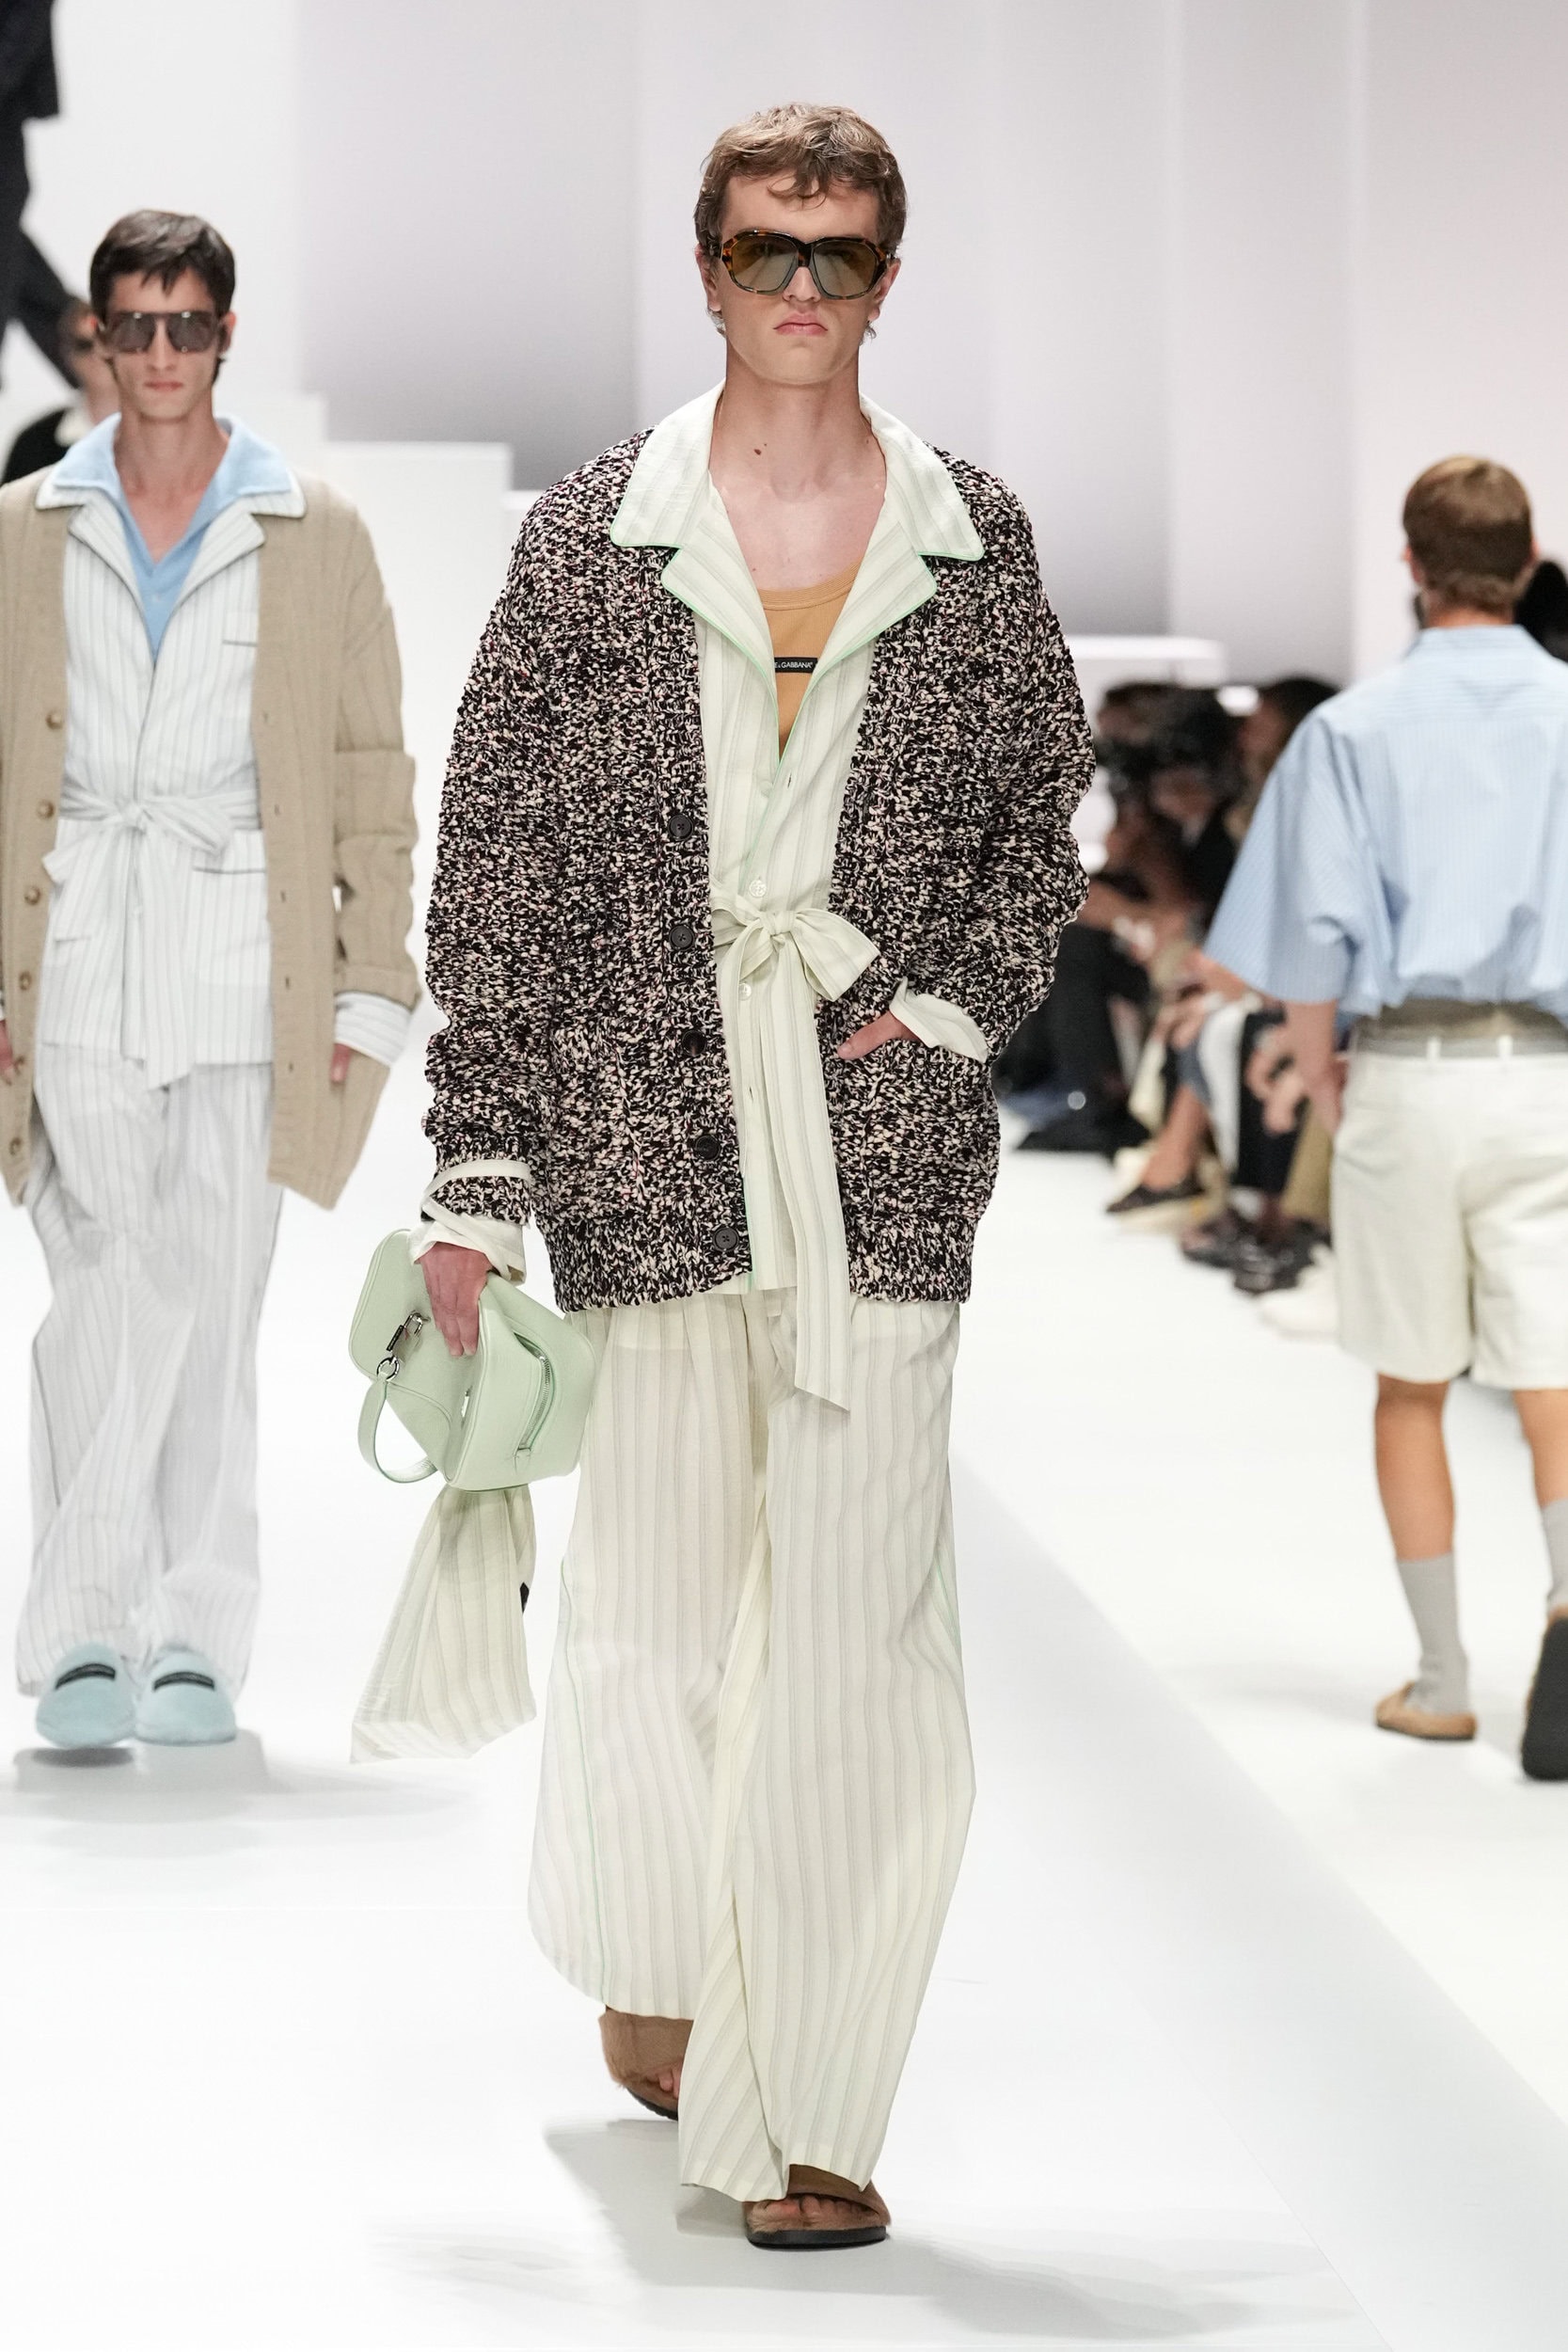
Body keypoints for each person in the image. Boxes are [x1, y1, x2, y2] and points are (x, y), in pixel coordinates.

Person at [416, 103, 1090, 2249]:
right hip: (644, 1126)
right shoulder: (591, 531)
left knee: (865, 1637)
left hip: (876, 1147)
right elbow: (498, 853)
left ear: (889, 276)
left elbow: (1042, 802)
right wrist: (476, 1168)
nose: (803, 288)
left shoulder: (969, 532)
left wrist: (958, 1003)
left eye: (841, 253)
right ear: (704, 264)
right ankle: (658, 1943)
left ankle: (808, 2089)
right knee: (663, 1609)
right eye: (766, 249)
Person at [0, 209, 418, 1750]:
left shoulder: (316, 528)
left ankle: (191, 1633)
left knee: (215, 1283)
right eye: (136, 325)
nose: (161, 352)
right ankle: (86, 1628)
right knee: (110, 1276)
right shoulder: (24, 526)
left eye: (188, 324)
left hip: (249, 955)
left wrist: (370, 987)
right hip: (77, 941)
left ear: (226, 336)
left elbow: (370, 772)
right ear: (99, 339)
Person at [1206, 455, 1568, 1781]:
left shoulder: (1349, 732)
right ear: (1527, 563)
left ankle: (1440, 1679)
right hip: (1548, 1074)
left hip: (1407, 1071)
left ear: (1408, 567)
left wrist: (1323, 1074)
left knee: (1409, 1384)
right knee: (1555, 1375)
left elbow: (1306, 944)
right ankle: (1564, 1609)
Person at [3, 294, 119, 480]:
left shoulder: (161, 433)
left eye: (106, 342)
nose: (96, 355)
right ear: (68, 354)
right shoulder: (34, 443)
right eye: (84, 345)